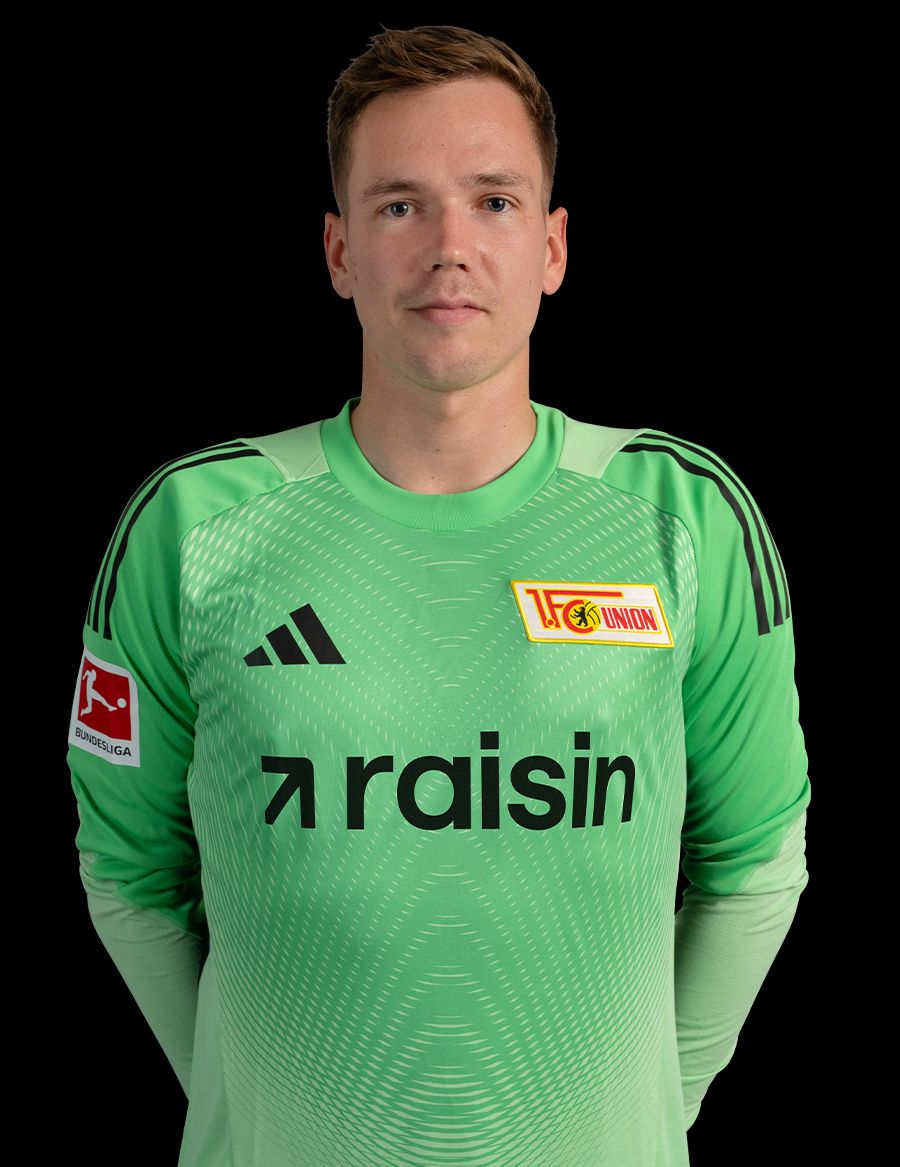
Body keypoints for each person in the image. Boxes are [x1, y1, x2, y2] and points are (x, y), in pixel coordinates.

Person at [66, 24, 811, 1167]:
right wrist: (248, 1097)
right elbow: (125, 875)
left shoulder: (683, 517)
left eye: (494, 202)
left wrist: (649, 1108)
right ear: (338, 251)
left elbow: (756, 862)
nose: (450, 247)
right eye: (400, 205)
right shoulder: (190, 530)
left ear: (554, 247)